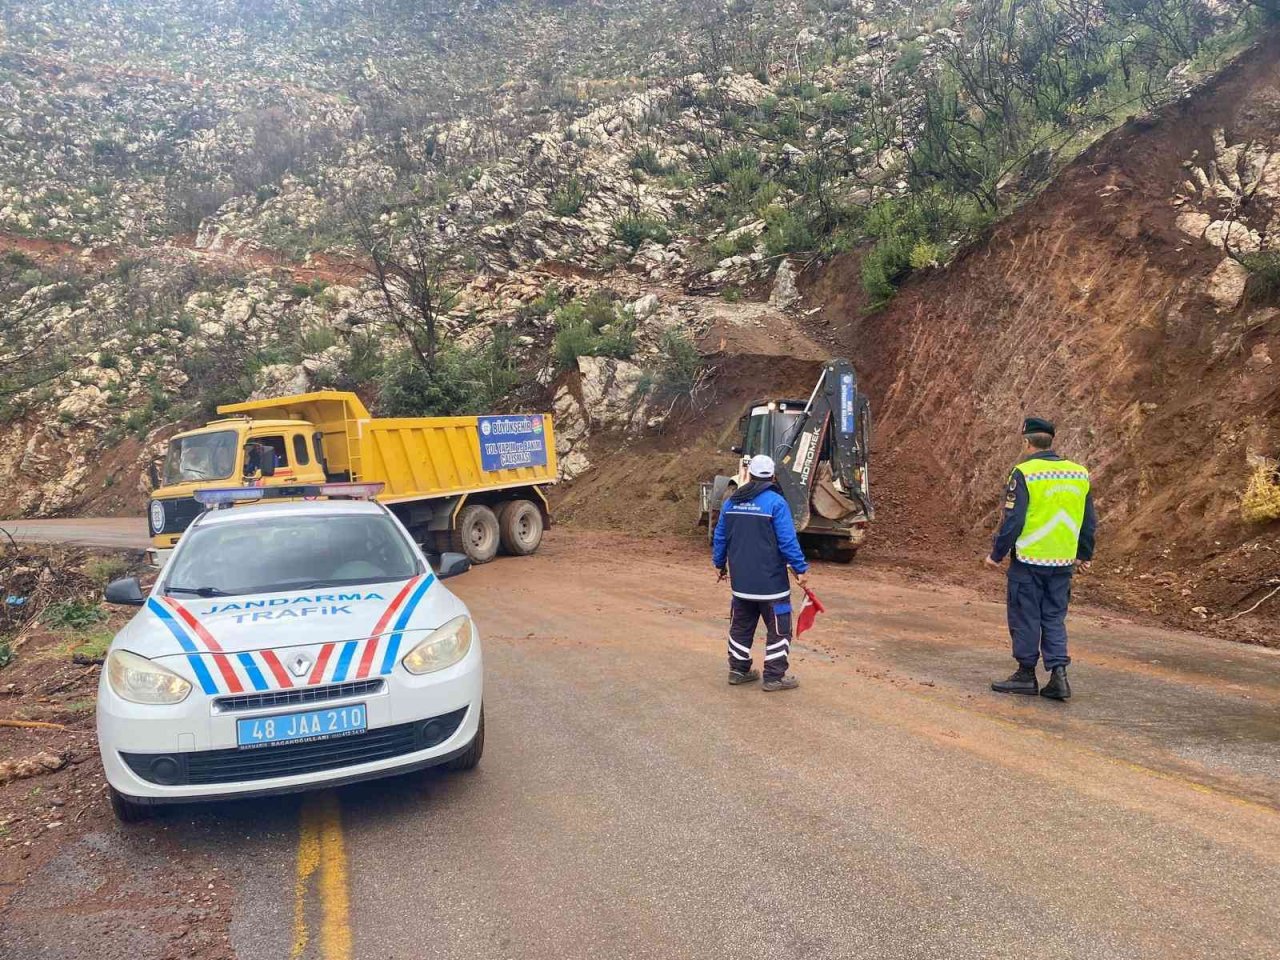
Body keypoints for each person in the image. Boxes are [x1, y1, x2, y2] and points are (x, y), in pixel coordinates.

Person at [985, 417, 1097, 700]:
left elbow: (1014, 521)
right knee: (1054, 617)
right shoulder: (1078, 473)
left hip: (1030, 560)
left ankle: (1025, 675)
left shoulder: (1024, 472)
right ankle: (1059, 675)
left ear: (1027, 442)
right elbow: (1088, 521)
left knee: (1025, 616)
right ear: (1051, 440)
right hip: (1062, 561)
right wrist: (1084, 554)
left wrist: (996, 554)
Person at [712, 454, 809, 692]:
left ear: (749, 475)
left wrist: (719, 563)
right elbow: (787, 541)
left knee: (741, 626)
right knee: (779, 629)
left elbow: (720, 537)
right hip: (772, 587)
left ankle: (738, 670)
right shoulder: (776, 503)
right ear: (773, 476)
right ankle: (774, 677)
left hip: (741, 585)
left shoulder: (731, 503)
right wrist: (799, 568)